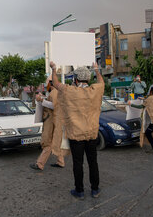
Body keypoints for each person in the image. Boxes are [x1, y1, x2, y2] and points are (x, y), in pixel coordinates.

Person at [50, 61, 104, 200]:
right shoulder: (96, 90)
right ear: (88, 78)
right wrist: (97, 70)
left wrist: (54, 69)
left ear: (75, 79)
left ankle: (79, 191)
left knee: (78, 163)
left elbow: (55, 83)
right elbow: (101, 82)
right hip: (92, 133)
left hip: (76, 135)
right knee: (93, 162)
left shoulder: (69, 91)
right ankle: (95, 190)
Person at [29, 80, 65, 171]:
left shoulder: (55, 92)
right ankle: (60, 162)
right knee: (56, 142)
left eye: (47, 84)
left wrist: (41, 100)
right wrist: (43, 99)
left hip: (51, 121)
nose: (46, 86)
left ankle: (40, 164)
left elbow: (54, 106)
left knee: (47, 143)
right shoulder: (55, 93)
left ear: (51, 84)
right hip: (53, 121)